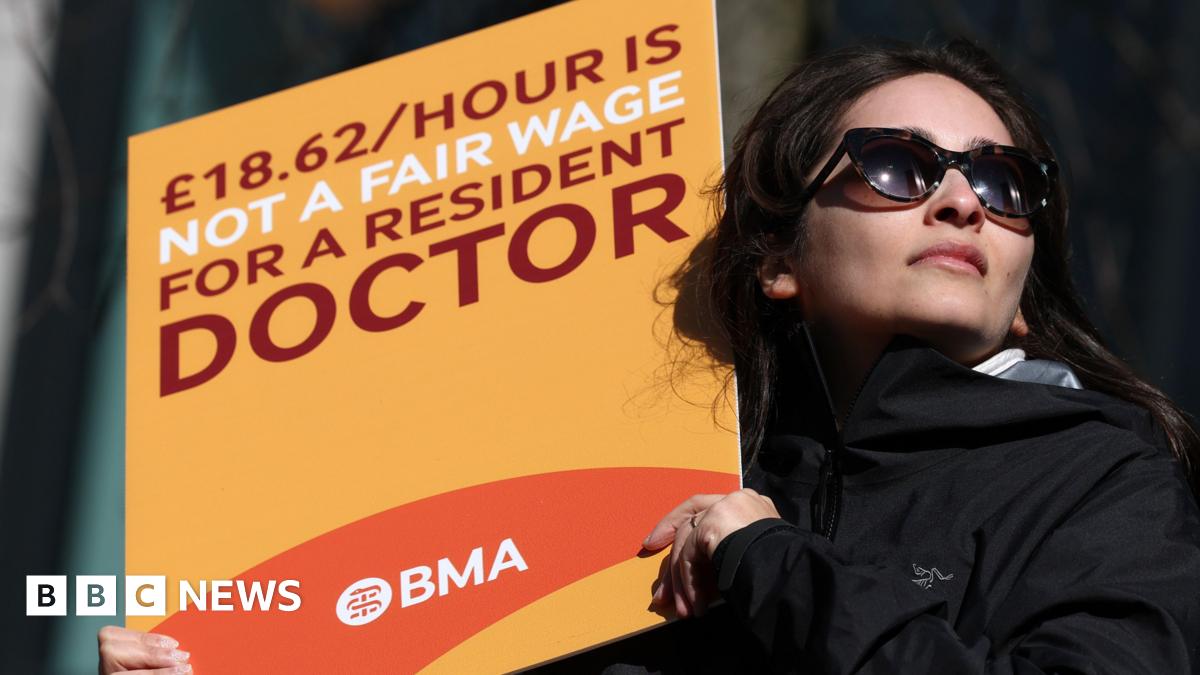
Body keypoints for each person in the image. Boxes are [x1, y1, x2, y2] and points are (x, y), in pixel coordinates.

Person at [99, 39, 1200, 674]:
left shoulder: (1103, 478)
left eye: (1004, 185)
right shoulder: (646, 486)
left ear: (1021, 295)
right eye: (896, 166)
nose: (962, 197)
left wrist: (776, 573)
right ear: (779, 260)